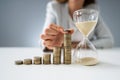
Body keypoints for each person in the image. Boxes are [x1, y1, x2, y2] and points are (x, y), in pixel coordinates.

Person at [40, 0, 114, 51]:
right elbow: (41, 41)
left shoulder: (92, 11)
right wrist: (50, 42)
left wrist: (85, 45)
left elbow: (109, 40)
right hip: (62, 56)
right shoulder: (54, 7)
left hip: (85, 53)